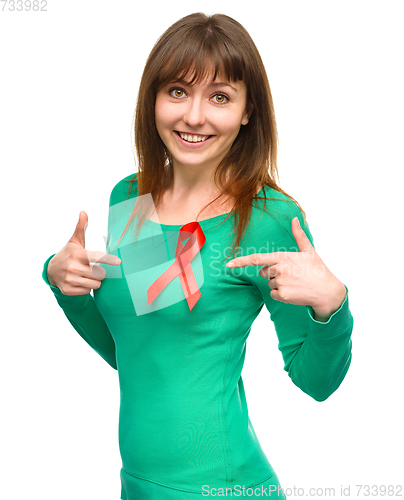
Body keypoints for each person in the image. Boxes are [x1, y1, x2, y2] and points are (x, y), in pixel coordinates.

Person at [42, 12, 354, 499]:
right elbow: (139, 350)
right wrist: (65, 286)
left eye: (220, 97)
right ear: (154, 100)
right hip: (139, 486)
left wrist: (331, 306)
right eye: (178, 92)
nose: (194, 116)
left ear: (249, 111)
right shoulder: (132, 197)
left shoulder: (268, 219)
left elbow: (316, 383)